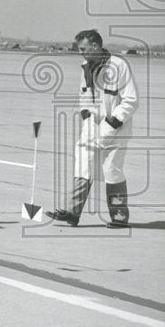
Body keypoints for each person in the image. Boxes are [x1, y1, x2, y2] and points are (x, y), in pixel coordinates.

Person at [46, 29, 138, 228]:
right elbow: (84, 94)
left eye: (84, 49)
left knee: (112, 170)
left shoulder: (119, 65)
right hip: (91, 127)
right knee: (82, 165)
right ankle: (72, 212)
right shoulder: (85, 66)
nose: (81, 53)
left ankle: (120, 216)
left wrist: (112, 122)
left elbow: (131, 100)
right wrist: (86, 114)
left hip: (116, 130)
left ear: (95, 46)